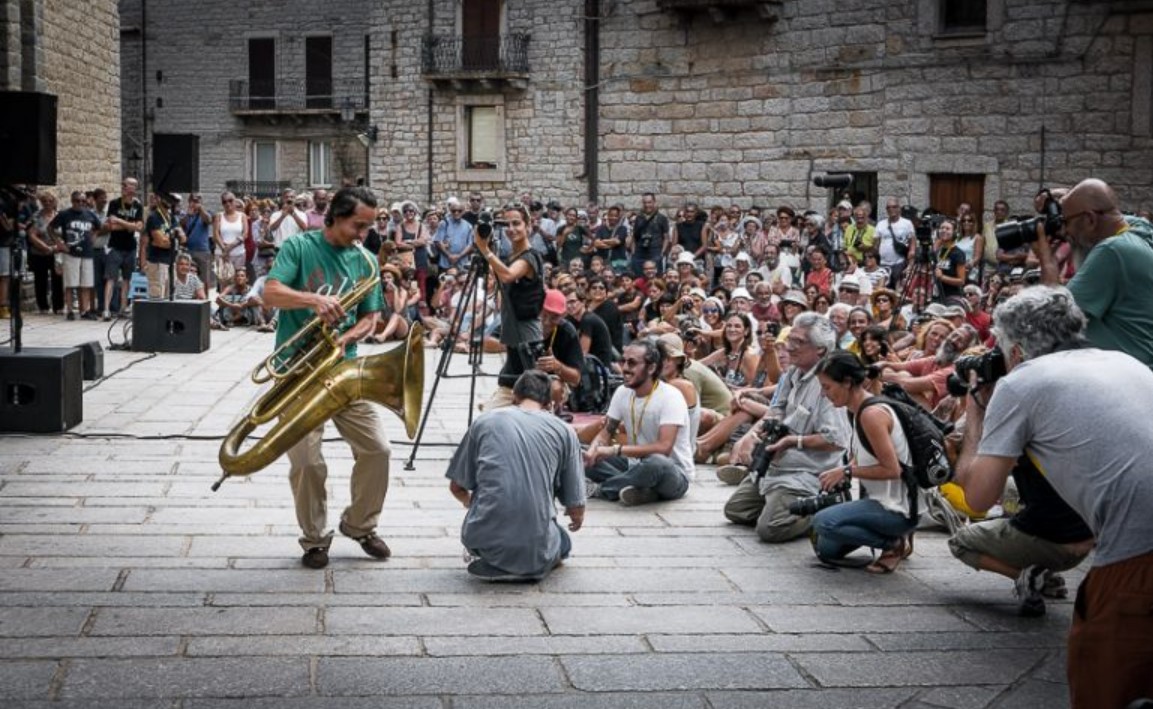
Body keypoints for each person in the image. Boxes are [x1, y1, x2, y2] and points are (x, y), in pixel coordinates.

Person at [954, 286, 1153, 708]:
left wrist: (976, 407)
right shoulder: (1123, 360)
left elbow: (975, 496)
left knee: (1101, 676)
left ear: (1018, 351)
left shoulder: (1023, 382)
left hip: (1139, 551)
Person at [261, 186, 392, 570]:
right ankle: (315, 539)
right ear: (334, 216)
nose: (363, 234)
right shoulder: (299, 248)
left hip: (343, 367)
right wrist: (313, 300)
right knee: (306, 462)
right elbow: (271, 293)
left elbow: (372, 317)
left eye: (368, 227)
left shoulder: (366, 261)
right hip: (296, 368)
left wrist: (351, 336)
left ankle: (360, 524)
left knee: (377, 449)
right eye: (358, 225)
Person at [717, 313, 850, 542]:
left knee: (770, 529)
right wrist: (752, 436)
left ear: (820, 349)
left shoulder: (828, 383)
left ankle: (827, 506)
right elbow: (775, 409)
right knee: (736, 510)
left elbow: (836, 440)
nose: (789, 347)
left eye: (798, 342)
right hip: (776, 466)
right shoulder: (792, 373)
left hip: (807, 472)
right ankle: (781, 504)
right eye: (790, 339)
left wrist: (793, 441)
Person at [446, 370, 586, 582]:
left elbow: (457, 487)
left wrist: (473, 504)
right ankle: (528, 563)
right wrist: (577, 517)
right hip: (537, 546)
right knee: (563, 540)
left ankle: (492, 557)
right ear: (549, 404)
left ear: (513, 397)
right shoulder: (565, 431)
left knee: (489, 526)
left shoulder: (484, 422)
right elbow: (576, 505)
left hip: (484, 535)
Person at [809, 352, 919, 573]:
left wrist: (847, 472)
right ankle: (889, 535)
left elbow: (892, 469)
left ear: (848, 383)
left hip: (897, 507)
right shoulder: (856, 410)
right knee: (826, 548)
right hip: (880, 500)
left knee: (823, 522)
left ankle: (893, 544)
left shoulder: (872, 414)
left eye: (827, 387)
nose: (823, 394)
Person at [583, 339, 694, 506]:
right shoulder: (622, 392)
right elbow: (607, 432)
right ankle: (640, 490)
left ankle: (602, 489)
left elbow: (664, 448)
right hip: (633, 465)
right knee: (576, 451)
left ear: (651, 368)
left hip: (672, 472)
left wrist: (614, 450)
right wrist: (593, 451)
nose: (625, 368)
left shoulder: (671, 396)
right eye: (623, 361)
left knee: (657, 463)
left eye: (632, 363)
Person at [1057, 178, 1153, 368]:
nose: (1065, 231)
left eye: (1067, 222)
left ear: (1091, 219)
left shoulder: (1112, 250)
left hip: (1124, 379)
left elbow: (1056, 315)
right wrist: (1071, 200)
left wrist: (1046, 257)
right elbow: (1112, 211)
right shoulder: (1141, 233)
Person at [476, 203, 549, 410]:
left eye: (516, 223)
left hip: (527, 336)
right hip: (513, 336)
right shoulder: (512, 256)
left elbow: (508, 275)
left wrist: (485, 251)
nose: (511, 229)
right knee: (509, 382)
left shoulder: (530, 256)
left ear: (528, 225)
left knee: (532, 392)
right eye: (506, 224)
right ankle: (499, 405)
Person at [50, 190, 103, 320]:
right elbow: (50, 228)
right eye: (77, 201)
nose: (80, 203)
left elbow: (99, 227)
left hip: (87, 252)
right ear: (72, 201)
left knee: (86, 283)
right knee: (70, 283)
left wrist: (93, 237)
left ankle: (84, 310)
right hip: (70, 252)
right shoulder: (64, 214)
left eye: (83, 201)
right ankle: (69, 310)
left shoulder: (90, 214)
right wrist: (59, 244)